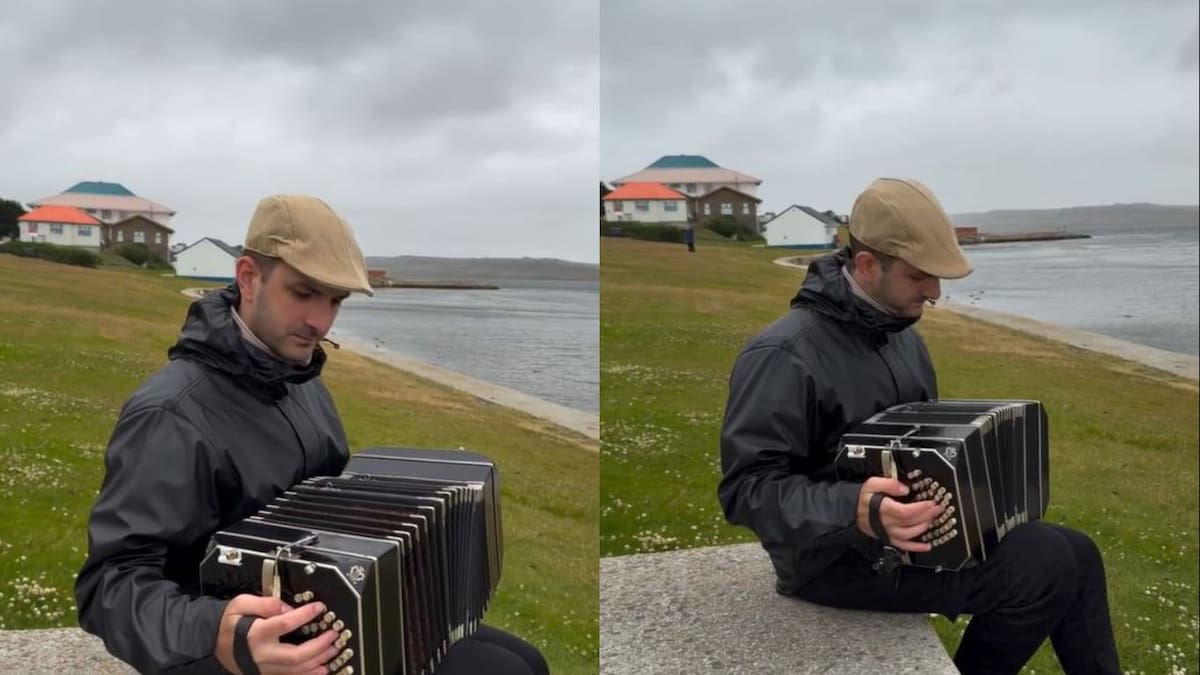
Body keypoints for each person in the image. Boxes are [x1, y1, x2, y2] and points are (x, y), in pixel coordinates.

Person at [75, 194, 549, 675]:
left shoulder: (300, 381)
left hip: (324, 620)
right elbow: (109, 587)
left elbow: (327, 510)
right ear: (247, 278)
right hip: (228, 648)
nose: (321, 321)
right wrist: (219, 629)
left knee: (525, 660)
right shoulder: (170, 413)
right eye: (303, 293)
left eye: (335, 300)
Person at [716, 177, 1121, 675]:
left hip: (907, 540)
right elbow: (745, 489)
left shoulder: (902, 338)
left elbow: (928, 447)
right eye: (919, 277)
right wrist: (856, 509)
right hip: (833, 561)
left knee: (1077, 550)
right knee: (1045, 564)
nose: (935, 293)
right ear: (867, 265)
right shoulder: (782, 354)